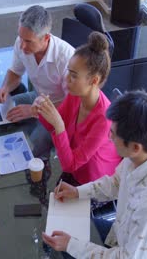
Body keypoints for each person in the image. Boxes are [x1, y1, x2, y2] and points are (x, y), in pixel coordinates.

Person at [42, 90, 147, 259]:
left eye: (112, 133)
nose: (108, 136)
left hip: (135, 252)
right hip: (124, 232)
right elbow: (116, 182)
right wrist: (78, 192)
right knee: (63, 237)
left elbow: (126, 258)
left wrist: (71, 245)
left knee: (64, 248)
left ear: (135, 147)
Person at [33, 31, 121, 186]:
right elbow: (52, 126)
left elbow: (69, 164)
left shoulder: (103, 119)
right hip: (74, 169)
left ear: (94, 80)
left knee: (55, 203)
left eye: (73, 75)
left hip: (95, 182)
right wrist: (42, 110)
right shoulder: (76, 95)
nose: (66, 79)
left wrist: (59, 125)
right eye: (68, 72)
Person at [0, 5, 75, 159]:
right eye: (21, 38)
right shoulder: (21, 42)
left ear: (46, 38)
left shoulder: (66, 58)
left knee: (36, 143)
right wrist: (5, 87)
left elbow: (72, 105)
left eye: (28, 41)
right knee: (3, 112)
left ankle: (42, 168)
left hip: (58, 110)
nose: (22, 46)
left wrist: (33, 110)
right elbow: (15, 72)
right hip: (38, 96)